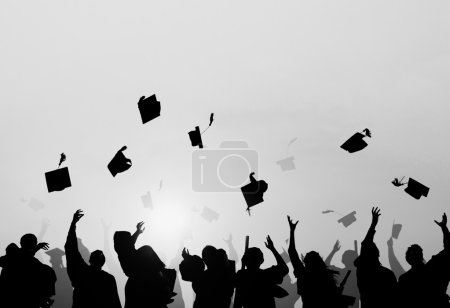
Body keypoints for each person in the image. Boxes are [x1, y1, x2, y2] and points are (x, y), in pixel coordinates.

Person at [64, 210, 121, 308]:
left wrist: (73, 223)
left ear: (90, 260)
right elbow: (115, 303)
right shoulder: (108, 279)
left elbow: (71, 249)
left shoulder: (82, 271)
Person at [114, 221, 176, 308]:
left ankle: (166, 292)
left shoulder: (125, 248)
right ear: (124, 242)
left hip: (138, 268)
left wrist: (138, 231)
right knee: (147, 249)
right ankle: (165, 291)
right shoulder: (123, 251)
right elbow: (130, 242)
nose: (131, 240)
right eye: (128, 239)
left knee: (171, 273)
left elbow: (131, 241)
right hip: (135, 269)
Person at [287, 216, 341, 308]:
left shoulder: (303, 274)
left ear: (307, 262)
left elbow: (292, 252)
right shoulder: (326, 276)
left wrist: (292, 231)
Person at [398, 213, 450, 308]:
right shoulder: (433, 268)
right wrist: (444, 228)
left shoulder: (405, 279)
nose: (418, 255)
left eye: (418, 253)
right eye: (416, 254)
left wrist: (444, 228)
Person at [354, 207, 397, 308]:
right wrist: (373, 224)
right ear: (377, 254)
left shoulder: (362, 271)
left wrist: (373, 224)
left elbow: (365, 244)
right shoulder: (387, 273)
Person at [0, 234, 56, 308]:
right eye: (32, 244)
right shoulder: (14, 255)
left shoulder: (32, 261)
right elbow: (21, 260)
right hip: (16, 296)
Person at [233, 236, 288, 308]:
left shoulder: (241, 275)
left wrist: (243, 268)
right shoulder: (266, 275)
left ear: (245, 260)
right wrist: (273, 249)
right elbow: (284, 269)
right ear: (262, 261)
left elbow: (237, 301)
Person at [324, 240, 360, 308]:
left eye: (344, 256)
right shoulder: (359, 273)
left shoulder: (341, 272)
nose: (342, 256)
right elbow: (325, 266)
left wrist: (333, 251)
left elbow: (325, 265)